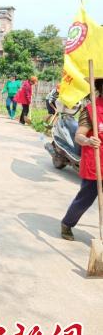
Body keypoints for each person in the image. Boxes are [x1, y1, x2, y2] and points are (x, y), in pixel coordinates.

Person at [61, 79, 103, 241]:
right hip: (96, 161)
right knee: (86, 198)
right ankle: (67, 223)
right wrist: (88, 141)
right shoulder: (90, 110)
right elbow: (79, 136)